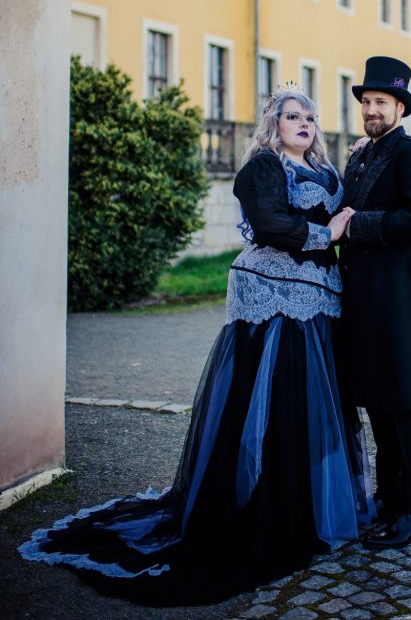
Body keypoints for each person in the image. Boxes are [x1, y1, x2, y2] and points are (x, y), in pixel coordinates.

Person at [19, 87, 373, 605]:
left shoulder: (328, 175)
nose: (303, 124)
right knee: (267, 404)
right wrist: (331, 232)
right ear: (273, 125)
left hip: (319, 307)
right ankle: (262, 508)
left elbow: (346, 210)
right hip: (271, 306)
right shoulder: (262, 169)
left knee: (311, 408)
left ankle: (308, 506)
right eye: (292, 116)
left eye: (310, 118)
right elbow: (273, 225)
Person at [338, 56, 411, 550]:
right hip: (361, 300)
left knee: (405, 404)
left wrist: (362, 224)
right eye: (366, 102)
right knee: (377, 401)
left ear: (400, 106)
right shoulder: (359, 155)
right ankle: (389, 499)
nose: (372, 109)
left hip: (401, 301)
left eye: (381, 101)